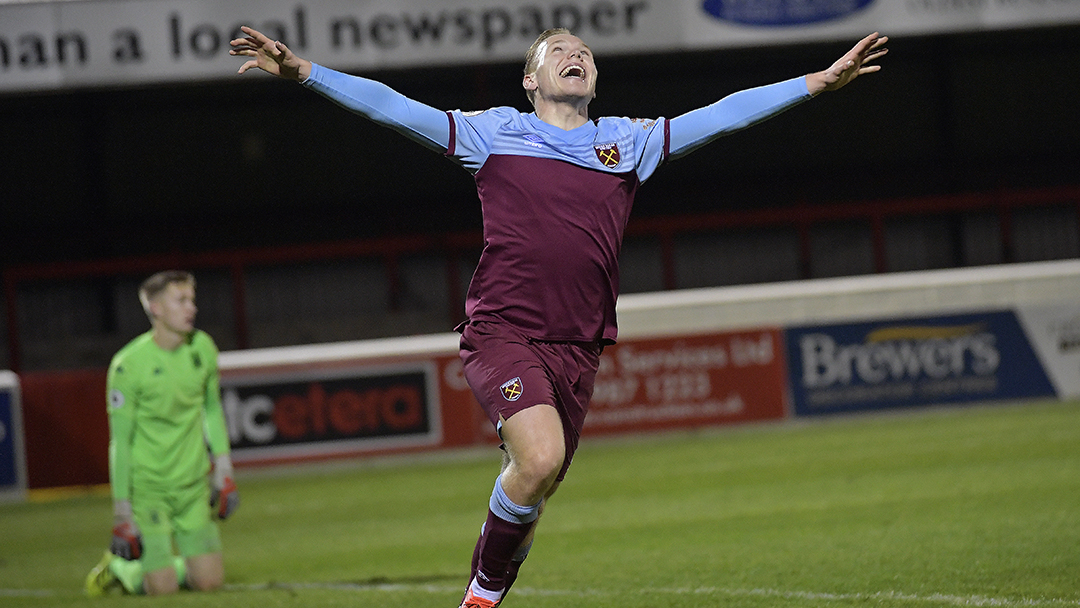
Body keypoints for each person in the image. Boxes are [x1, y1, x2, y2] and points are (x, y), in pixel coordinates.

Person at [230, 26, 886, 608]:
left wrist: (817, 84)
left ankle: (493, 575)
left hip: (579, 350)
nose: (576, 54)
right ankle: (479, 599)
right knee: (540, 459)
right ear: (530, 79)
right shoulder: (494, 132)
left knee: (534, 491)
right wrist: (303, 72)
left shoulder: (627, 143)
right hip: (502, 335)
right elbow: (394, 108)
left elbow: (721, 116)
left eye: (584, 51)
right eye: (558, 51)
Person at [85, 270, 239, 597]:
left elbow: (211, 410)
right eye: (180, 300)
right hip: (149, 488)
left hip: (192, 484)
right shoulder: (128, 365)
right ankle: (118, 567)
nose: (191, 308)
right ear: (155, 308)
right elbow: (120, 442)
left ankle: (170, 565)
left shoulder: (203, 348)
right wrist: (122, 511)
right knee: (162, 589)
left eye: (192, 299)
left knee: (209, 582)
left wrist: (223, 469)